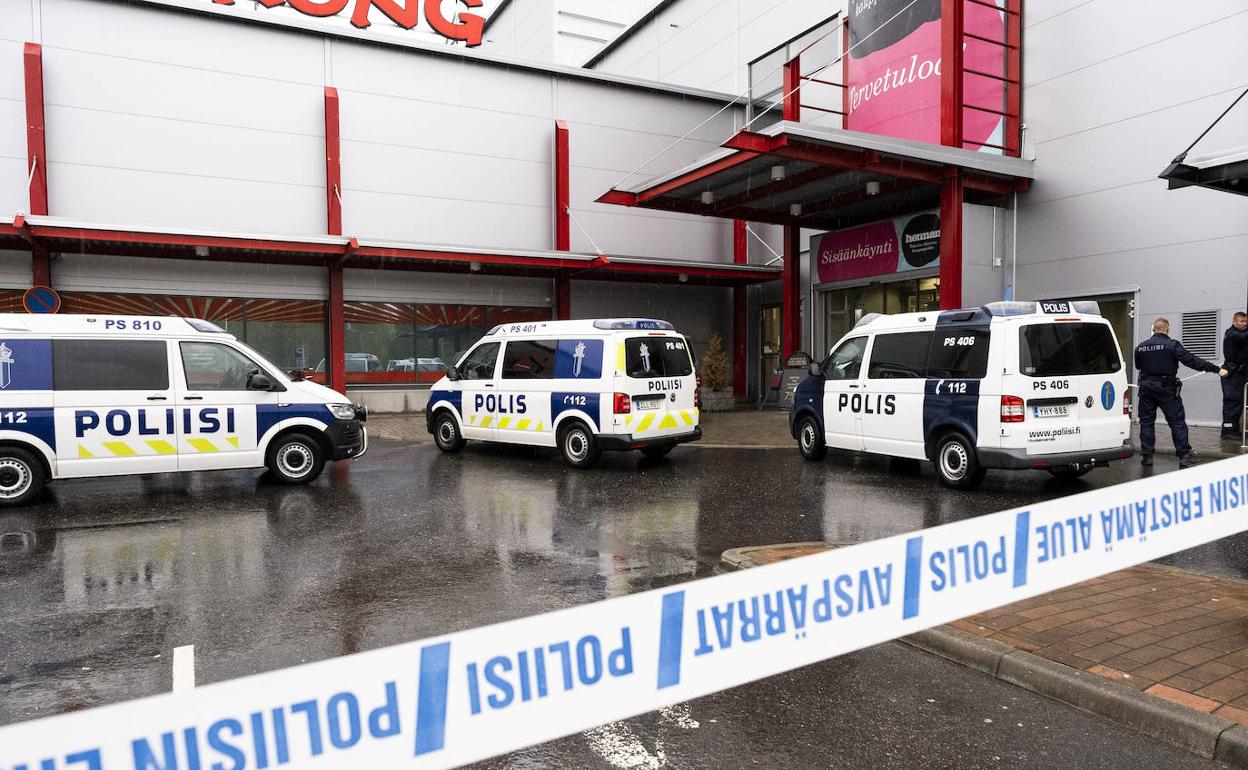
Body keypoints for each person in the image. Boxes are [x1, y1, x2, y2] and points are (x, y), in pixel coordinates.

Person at [1134, 317, 1228, 468]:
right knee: (1177, 421)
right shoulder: (1172, 345)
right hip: (1166, 388)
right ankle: (1184, 455)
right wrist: (1216, 369)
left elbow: (1138, 366)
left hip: (1146, 387)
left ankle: (1147, 456)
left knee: (1146, 422)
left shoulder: (1140, 347)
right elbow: (1191, 360)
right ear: (1167, 329)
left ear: (1154, 329)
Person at [1221, 311, 1248, 439]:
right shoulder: (1231, 333)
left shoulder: (1241, 333)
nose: (1245, 324)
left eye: (1246, 321)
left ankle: (1233, 429)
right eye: (1242, 321)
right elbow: (1241, 338)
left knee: (1239, 402)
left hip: (1240, 372)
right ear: (1234, 322)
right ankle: (1229, 431)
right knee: (1232, 401)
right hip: (1233, 373)